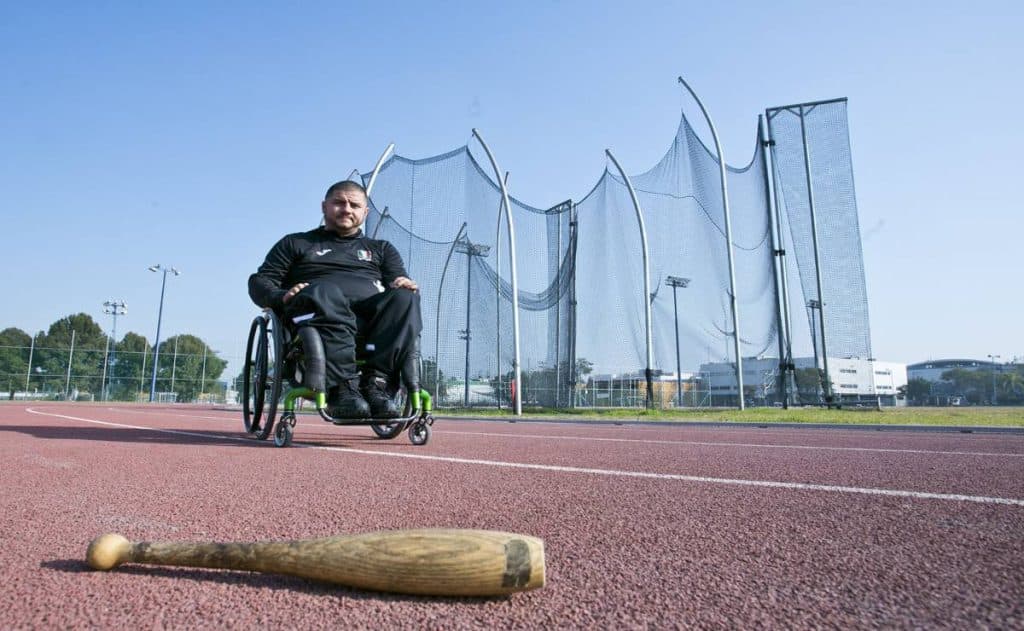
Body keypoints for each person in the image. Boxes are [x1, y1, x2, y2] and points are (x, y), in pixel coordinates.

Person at [248, 180, 421, 419]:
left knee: (405, 298)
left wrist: (405, 284)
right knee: (326, 291)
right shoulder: (295, 243)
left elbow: (399, 280)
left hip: (367, 321)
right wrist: (281, 296)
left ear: (365, 212)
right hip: (314, 313)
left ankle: (377, 384)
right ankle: (342, 387)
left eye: (354, 205)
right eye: (339, 202)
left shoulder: (382, 248)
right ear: (324, 207)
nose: (347, 209)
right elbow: (259, 281)